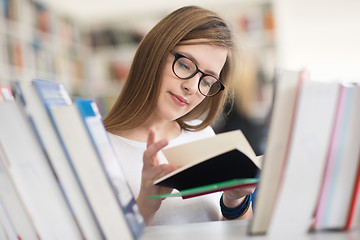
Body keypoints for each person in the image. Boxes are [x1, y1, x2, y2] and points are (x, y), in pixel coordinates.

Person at [103, 5, 256, 226]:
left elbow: (235, 231)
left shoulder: (203, 134)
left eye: (207, 81)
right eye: (185, 65)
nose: (193, 87)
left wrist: (234, 200)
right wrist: (145, 205)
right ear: (153, 54)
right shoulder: (100, 148)